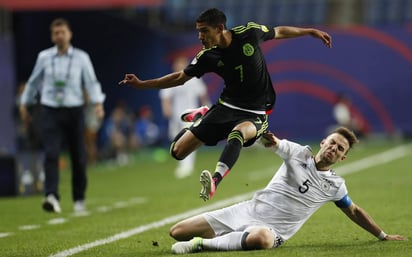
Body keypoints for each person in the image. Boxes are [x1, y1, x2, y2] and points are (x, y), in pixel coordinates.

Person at [119, 8, 332, 201]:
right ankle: (202, 117)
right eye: (198, 31)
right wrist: (142, 84)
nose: (200, 36)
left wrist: (309, 31)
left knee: (238, 134)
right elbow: (179, 78)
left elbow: (279, 31)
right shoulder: (207, 57)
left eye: (204, 31)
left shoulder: (249, 32)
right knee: (177, 152)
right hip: (225, 107)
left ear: (220, 28)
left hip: (256, 112)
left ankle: (215, 180)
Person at [169, 127, 406, 254]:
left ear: (343, 157)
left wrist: (382, 235)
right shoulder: (297, 152)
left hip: (273, 231)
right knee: (177, 231)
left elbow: (354, 211)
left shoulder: (335, 185)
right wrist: (261, 134)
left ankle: (202, 244)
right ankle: (228, 239)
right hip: (247, 211)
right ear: (323, 142)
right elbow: (271, 142)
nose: (334, 148)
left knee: (261, 239)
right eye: (332, 142)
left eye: (340, 148)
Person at [19, 18, 105, 213]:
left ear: (69, 34)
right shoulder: (44, 57)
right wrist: (25, 103)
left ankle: (79, 198)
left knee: (78, 157)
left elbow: (91, 82)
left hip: (75, 110)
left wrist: (98, 104)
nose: (59, 35)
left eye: (62, 32)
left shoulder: (81, 57)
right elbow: (33, 82)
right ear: (52, 36)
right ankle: (51, 195)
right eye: (55, 33)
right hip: (50, 110)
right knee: (51, 153)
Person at [159, 56, 211, 179]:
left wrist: (208, 107)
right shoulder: (172, 79)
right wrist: (166, 108)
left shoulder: (194, 79)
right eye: (177, 64)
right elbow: (165, 96)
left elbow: (202, 94)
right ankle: (182, 165)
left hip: (191, 115)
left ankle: (187, 167)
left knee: (188, 140)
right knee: (176, 140)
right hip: (176, 116)